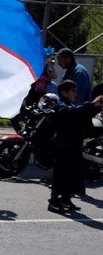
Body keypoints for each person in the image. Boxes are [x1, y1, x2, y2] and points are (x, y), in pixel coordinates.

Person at [47, 80, 103, 213]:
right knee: (60, 175)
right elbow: (74, 112)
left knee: (71, 175)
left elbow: (82, 116)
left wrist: (97, 106)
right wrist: (92, 104)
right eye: (73, 91)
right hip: (62, 146)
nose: (76, 94)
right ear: (63, 92)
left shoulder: (71, 105)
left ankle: (65, 199)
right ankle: (54, 201)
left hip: (73, 146)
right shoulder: (60, 106)